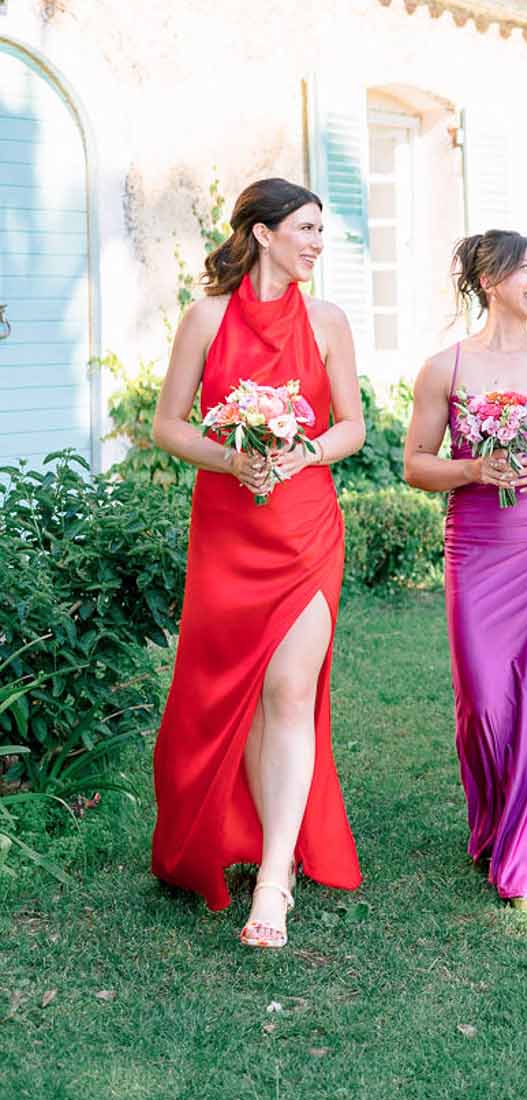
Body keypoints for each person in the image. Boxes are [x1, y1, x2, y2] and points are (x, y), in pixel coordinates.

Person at [151, 178, 365, 946]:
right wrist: (230, 459)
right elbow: (167, 427)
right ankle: (245, 837)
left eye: (319, 231)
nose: (315, 242)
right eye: (305, 228)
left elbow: (352, 427)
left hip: (305, 528)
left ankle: (274, 881)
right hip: (227, 530)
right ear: (263, 232)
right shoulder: (205, 318)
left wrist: (298, 452)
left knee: (286, 689)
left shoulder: (329, 320)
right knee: (239, 686)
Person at [404, 231, 527, 907]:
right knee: (483, 699)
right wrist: (470, 468)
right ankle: (494, 821)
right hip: (476, 542)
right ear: (488, 280)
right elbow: (416, 464)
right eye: (525, 268)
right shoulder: (444, 369)